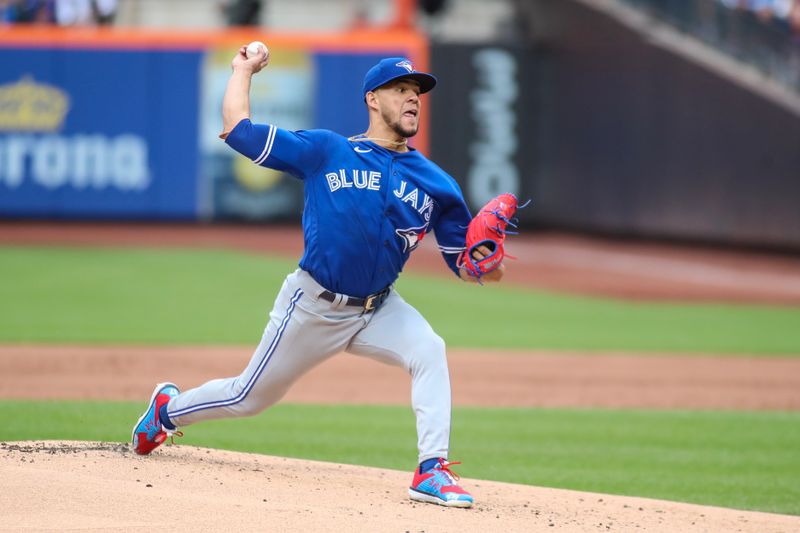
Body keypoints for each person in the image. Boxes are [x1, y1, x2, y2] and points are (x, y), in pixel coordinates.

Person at [131, 47, 504, 508]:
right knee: (249, 397)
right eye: (401, 90)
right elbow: (239, 131)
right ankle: (167, 412)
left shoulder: (437, 183)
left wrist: (487, 261)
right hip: (313, 305)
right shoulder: (329, 150)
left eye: (417, 93)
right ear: (373, 99)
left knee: (429, 349)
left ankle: (432, 470)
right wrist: (242, 70)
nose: (413, 99)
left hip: (378, 308)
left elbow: (467, 266)